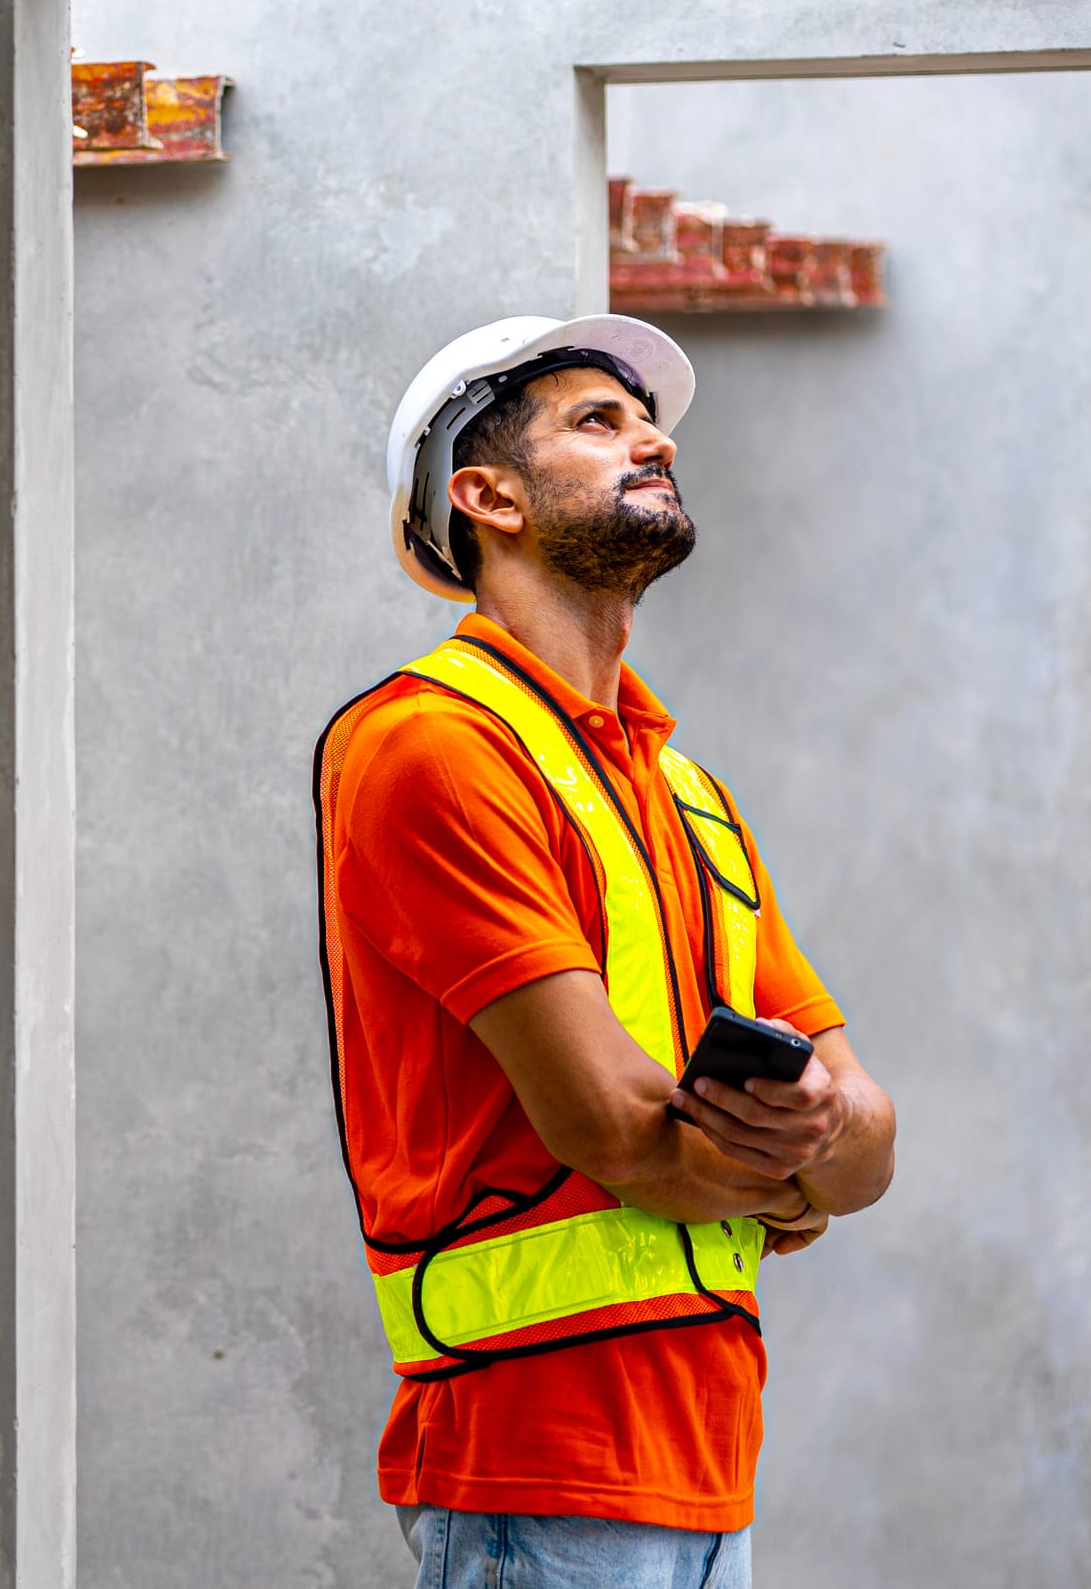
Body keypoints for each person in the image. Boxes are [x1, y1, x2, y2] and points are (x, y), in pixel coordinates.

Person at [312, 316, 897, 1589]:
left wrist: (802, 1154)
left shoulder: (686, 790)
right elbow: (626, 1137)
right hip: (533, 1458)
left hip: (707, 1455)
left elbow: (869, 1139)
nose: (655, 439)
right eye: (599, 421)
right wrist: (797, 1174)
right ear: (487, 498)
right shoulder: (431, 748)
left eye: (648, 421)